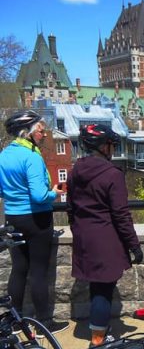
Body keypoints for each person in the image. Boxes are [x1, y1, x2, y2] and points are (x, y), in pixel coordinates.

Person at [67, 124, 143, 347]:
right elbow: (121, 215)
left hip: (84, 237)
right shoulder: (112, 174)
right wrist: (134, 246)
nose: (112, 149)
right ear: (103, 146)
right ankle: (98, 340)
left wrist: (78, 230)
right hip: (105, 239)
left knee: (95, 286)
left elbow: (70, 209)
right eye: (111, 145)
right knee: (104, 290)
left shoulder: (74, 172)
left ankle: (98, 330)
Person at [0, 110, 68, 334]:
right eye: (40, 129)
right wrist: (55, 193)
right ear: (26, 132)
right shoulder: (32, 157)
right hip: (36, 218)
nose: (43, 134)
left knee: (18, 269)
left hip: (12, 216)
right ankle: (44, 323)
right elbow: (39, 195)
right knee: (38, 270)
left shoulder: (4, 154)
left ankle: (13, 321)